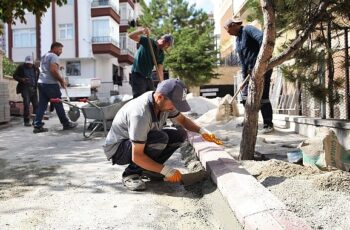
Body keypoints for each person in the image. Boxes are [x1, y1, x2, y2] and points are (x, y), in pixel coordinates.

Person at [103, 79, 222, 191]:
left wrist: (202, 131)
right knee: (160, 139)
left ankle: (148, 170)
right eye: (174, 104)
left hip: (137, 142)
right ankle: (131, 174)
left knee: (179, 134)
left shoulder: (163, 102)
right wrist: (166, 171)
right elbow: (137, 156)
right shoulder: (140, 114)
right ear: (160, 97)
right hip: (119, 149)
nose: (174, 108)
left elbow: (183, 120)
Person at [224, 17, 274, 133]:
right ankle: (249, 121)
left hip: (263, 68)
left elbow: (262, 39)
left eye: (228, 30)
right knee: (245, 96)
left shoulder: (248, 29)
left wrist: (260, 62)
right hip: (250, 72)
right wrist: (243, 80)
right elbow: (243, 62)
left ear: (233, 25)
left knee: (263, 97)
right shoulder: (237, 40)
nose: (228, 33)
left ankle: (268, 124)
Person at [33, 42, 77, 133]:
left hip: (41, 83)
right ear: (54, 48)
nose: (61, 52)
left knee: (42, 105)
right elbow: (53, 70)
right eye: (60, 49)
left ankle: (37, 126)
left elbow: (48, 68)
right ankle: (66, 123)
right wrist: (61, 81)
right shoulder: (54, 56)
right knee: (58, 103)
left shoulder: (45, 56)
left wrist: (58, 68)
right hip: (50, 84)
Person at [128, 27, 173, 98]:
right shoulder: (149, 42)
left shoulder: (161, 54)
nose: (167, 47)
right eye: (168, 45)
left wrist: (163, 85)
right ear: (164, 41)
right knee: (139, 99)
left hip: (148, 78)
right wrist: (141, 31)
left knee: (152, 98)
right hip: (138, 75)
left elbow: (160, 71)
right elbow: (130, 36)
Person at [13, 55, 39, 126]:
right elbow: (14, 76)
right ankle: (26, 121)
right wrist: (22, 79)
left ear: (32, 62)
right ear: (26, 62)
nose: (29, 64)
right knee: (26, 104)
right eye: (28, 63)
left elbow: (38, 76)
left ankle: (35, 121)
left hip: (33, 88)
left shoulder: (35, 68)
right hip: (25, 88)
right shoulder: (21, 67)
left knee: (36, 105)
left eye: (30, 63)